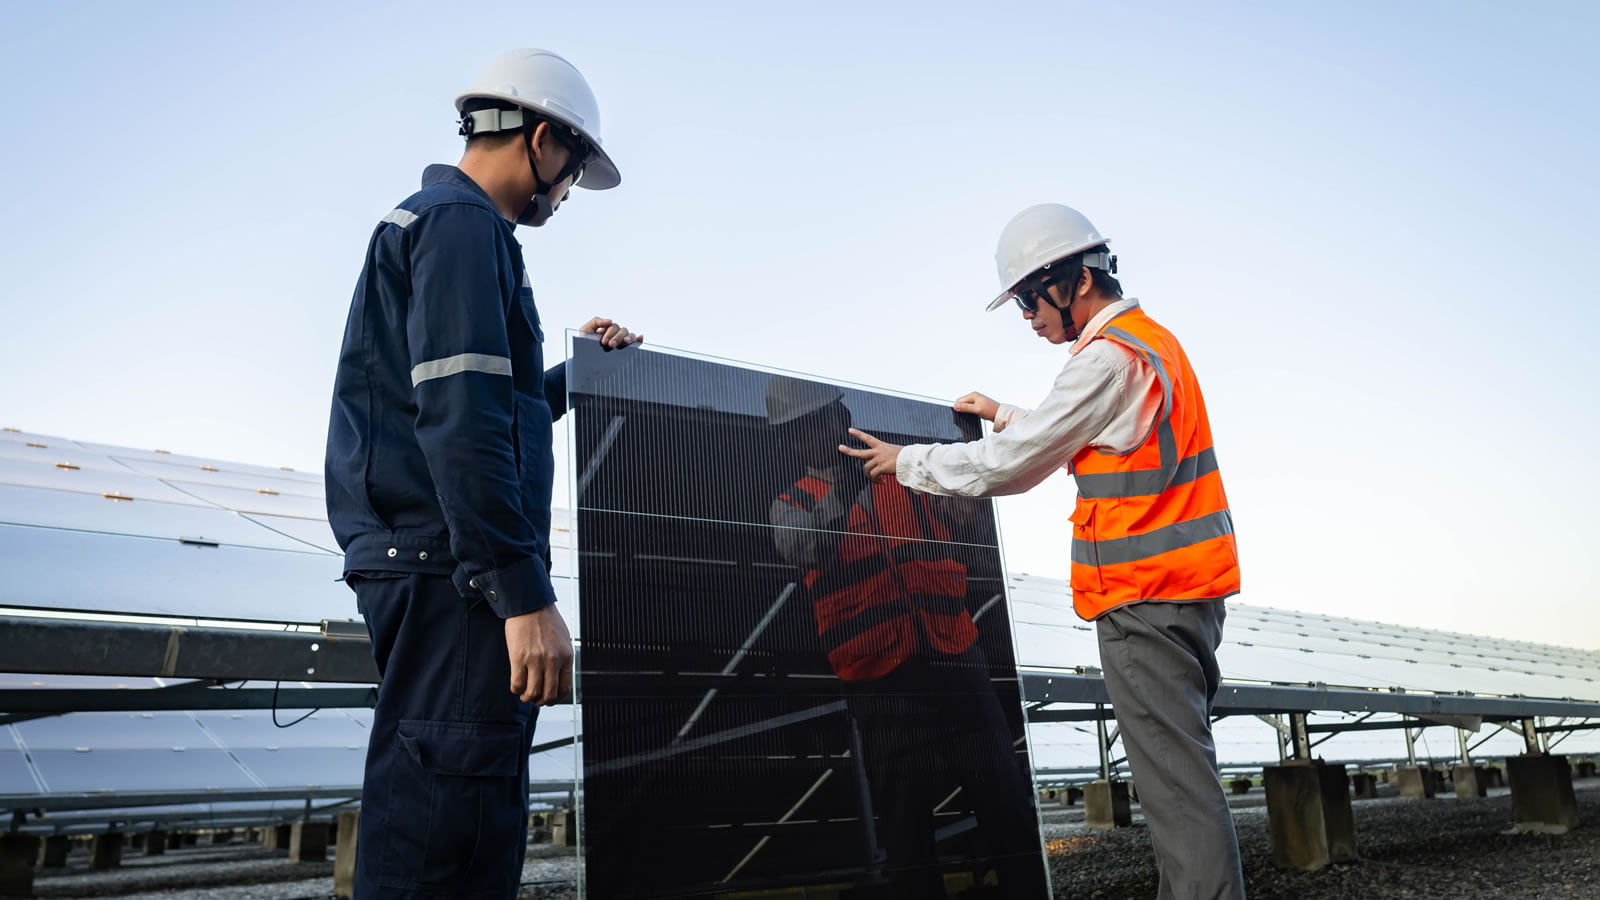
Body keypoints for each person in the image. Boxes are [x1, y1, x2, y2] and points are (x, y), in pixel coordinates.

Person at [839, 203, 1245, 899]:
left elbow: (1015, 465)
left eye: (1030, 297)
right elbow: (1090, 434)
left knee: (1177, 795)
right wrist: (1002, 413)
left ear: (1075, 281)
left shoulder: (1107, 357)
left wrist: (905, 461)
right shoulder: (1149, 344)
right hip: (1180, 593)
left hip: (1145, 598)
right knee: (1184, 780)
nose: (1028, 316)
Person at [324, 49, 641, 897]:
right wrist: (522, 592)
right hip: (453, 567)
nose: (566, 195)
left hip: (432, 559)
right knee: (446, 825)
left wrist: (578, 377)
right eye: (571, 173)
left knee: (459, 810)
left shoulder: (436, 224)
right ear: (542, 141)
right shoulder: (463, 226)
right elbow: (461, 417)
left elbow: (479, 405)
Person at [767, 377, 1048, 898]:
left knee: (1003, 801)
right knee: (907, 821)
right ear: (791, 440)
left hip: (954, 654)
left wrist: (966, 454)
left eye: (827, 418)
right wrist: (846, 488)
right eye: (807, 427)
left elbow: (971, 518)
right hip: (881, 677)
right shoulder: (791, 505)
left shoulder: (909, 474)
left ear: (841, 415)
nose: (822, 432)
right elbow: (804, 550)